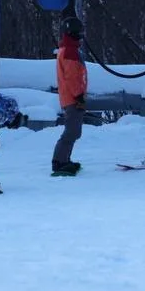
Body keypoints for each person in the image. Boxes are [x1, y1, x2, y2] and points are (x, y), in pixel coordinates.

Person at [51, 15, 86, 177]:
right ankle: (59, 162)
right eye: (79, 32)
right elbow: (72, 77)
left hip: (71, 96)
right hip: (72, 97)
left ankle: (65, 159)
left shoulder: (68, 49)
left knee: (74, 131)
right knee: (71, 131)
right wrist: (78, 96)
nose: (81, 35)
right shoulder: (70, 51)